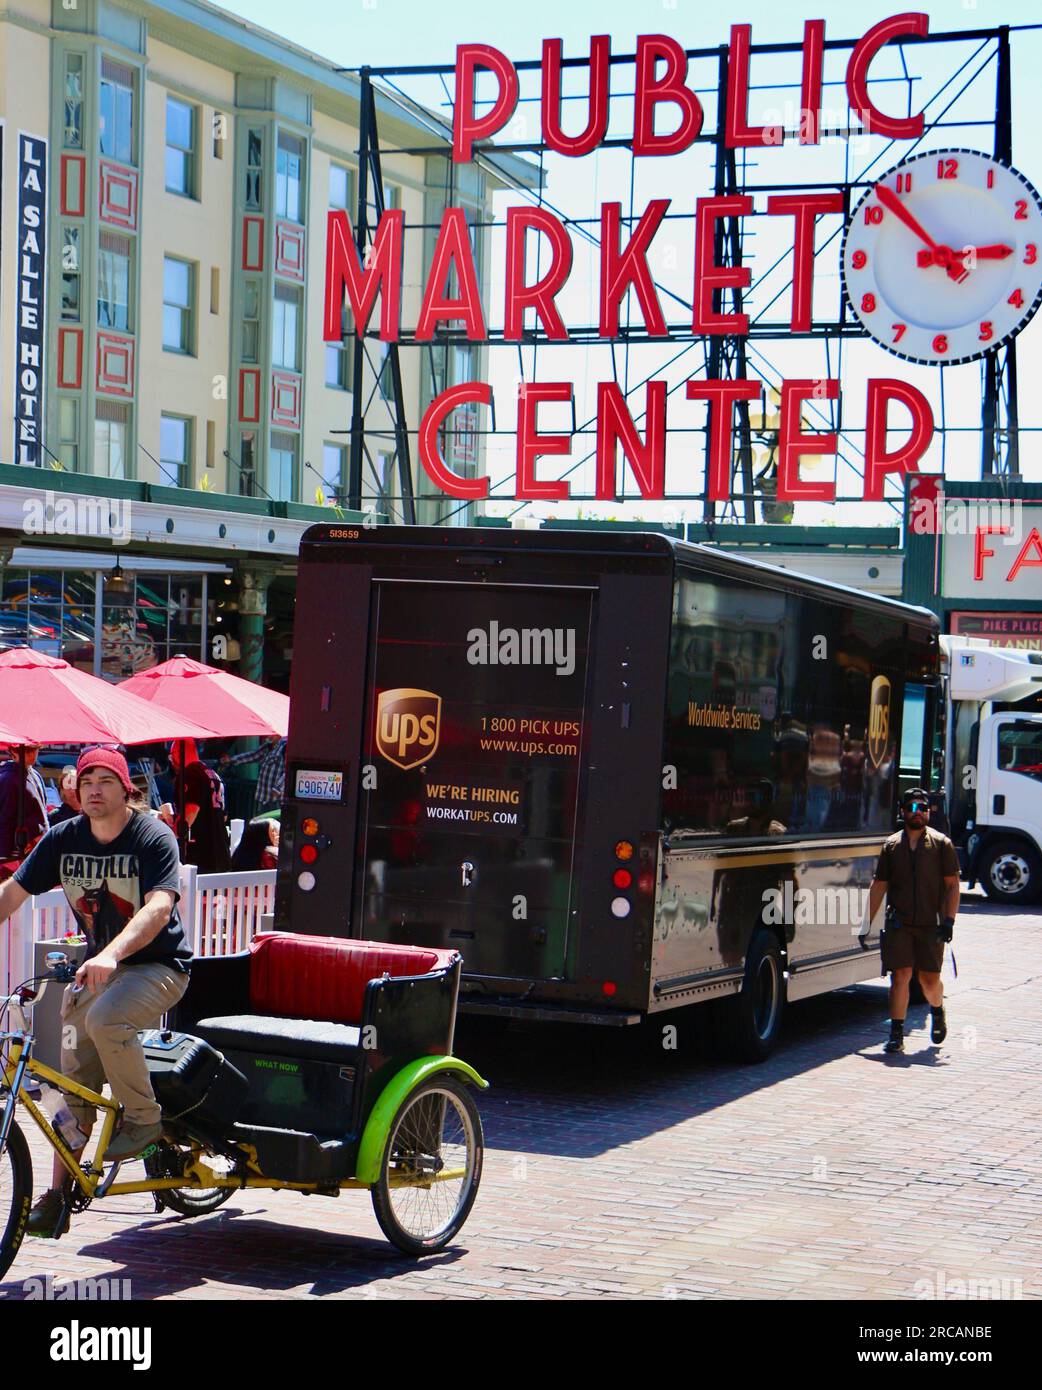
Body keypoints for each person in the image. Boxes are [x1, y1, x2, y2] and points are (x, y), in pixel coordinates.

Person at [0, 748, 192, 1238]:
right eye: (87, 781)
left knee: (105, 1021)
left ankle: (144, 1118)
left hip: (157, 966)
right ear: (75, 790)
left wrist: (111, 953)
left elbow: (158, 908)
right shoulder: (64, 838)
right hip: (98, 972)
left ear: (126, 789)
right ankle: (58, 1192)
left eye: (107, 780)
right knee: (71, 1087)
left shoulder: (152, 836)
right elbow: (14, 893)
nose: (95, 790)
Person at [865, 787, 961, 1054]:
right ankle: (896, 1034)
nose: (918, 813)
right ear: (903, 812)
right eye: (913, 808)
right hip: (900, 923)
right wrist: (866, 923)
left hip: (932, 925)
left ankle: (937, 1009)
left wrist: (949, 921)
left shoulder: (942, 845)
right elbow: (879, 886)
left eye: (923, 808)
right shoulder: (891, 846)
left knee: (929, 981)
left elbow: (953, 885)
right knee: (900, 975)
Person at [164, 739, 230, 873]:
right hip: (221, 853)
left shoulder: (189, 774)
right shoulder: (214, 774)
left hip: (200, 857)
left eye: (171, 756)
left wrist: (172, 831)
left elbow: (190, 812)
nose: (171, 761)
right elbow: (224, 816)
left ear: (178, 752)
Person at [0, 744, 49, 860]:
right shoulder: (8, 779)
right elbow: (4, 820)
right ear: (13, 751)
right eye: (27, 750)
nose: (32, 754)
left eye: (34, 749)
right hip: (16, 853)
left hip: (37, 848)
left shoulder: (35, 775)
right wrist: (3, 856)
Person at [220, 734, 286, 815]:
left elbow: (287, 772)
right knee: (263, 823)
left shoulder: (285, 747)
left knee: (274, 823)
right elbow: (252, 755)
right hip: (263, 796)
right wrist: (231, 760)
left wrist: (278, 788)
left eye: (272, 734)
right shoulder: (267, 746)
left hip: (276, 798)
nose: (268, 736)